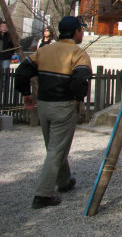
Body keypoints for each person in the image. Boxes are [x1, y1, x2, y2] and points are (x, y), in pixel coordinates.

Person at [15, 16, 92, 209]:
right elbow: (81, 79)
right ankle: (43, 194)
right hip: (64, 105)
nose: (82, 33)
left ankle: (64, 181)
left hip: (44, 104)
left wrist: (26, 94)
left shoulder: (43, 51)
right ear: (76, 32)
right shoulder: (78, 53)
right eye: (81, 30)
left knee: (54, 145)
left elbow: (22, 71)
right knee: (57, 149)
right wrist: (77, 98)